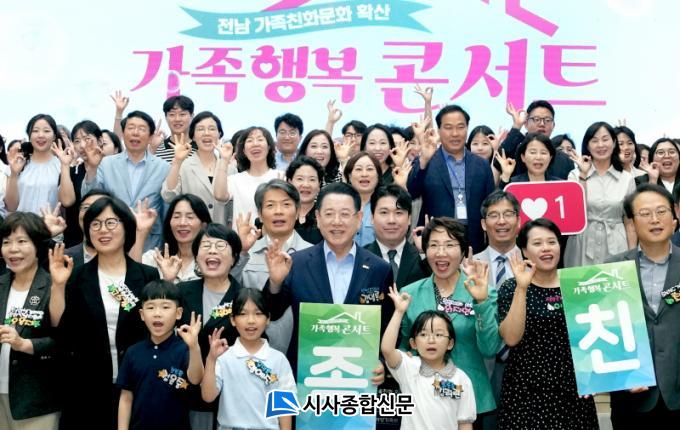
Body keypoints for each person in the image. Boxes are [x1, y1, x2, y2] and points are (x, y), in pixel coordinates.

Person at [47, 196, 160, 429]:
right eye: (95, 224)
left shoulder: (147, 275)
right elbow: (59, 326)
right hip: (86, 387)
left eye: (111, 222)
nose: (103, 230)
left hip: (136, 384)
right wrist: (58, 285)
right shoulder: (76, 275)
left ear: (126, 227)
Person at [264, 182, 394, 377]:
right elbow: (272, 314)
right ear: (318, 218)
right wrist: (275, 282)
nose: (337, 222)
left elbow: (387, 325)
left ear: (359, 219)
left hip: (359, 375)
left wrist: (383, 362)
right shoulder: (296, 263)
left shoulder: (379, 269)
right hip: (307, 375)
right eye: (329, 214)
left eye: (345, 214)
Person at [398, 217, 501, 429]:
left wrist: (481, 302)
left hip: (471, 401)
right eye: (434, 245)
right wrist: (405, 354)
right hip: (424, 402)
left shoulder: (485, 293)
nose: (441, 252)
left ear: (463, 252)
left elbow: (490, 348)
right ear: (425, 251)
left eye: (450, 245)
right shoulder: (409, 294)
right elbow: (404, 344)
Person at [498, 218, 598, 429]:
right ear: (524, 250)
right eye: (537, 243)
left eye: (552, 242)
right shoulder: (511, 287)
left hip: (573, 390)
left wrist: (597, 377)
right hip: (525, 393)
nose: (546, 248)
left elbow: (595, 336)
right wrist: (522, 288)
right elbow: (511, 338)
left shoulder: (578, 284)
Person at [607, 184, 680, 427]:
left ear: (674, 217)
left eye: (661, 211)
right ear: (631, 222)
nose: (655, 219)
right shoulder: (611, 270)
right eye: (645, 213)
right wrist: (620, 377)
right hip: (632, 397)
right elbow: (605, 330)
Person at [232, 180, 312, 353]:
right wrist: (241, 252)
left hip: (302, 352)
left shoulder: (313, 255)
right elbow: (228, 291)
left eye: (286, 204)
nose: (278, 211)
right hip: (251, 351)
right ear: (260, 215)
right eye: (270, 205)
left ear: (298, 211)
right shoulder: (247, 253)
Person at [178, 223, 244, 429]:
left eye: (220, 246)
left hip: (228, 397)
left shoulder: (243, 299)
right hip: (182, 393)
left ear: (234, 258)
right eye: (205, 246)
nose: (212, 251)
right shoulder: (181, 292)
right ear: (196, 256)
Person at [201, 288, 296, 430]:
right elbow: (208, 397)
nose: (251, 321)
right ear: (233, 320)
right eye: (243, 314)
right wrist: (211, 359)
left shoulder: (278, 359)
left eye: (258, 313)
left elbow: (284, 409)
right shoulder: (224, 357)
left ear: (268, 318)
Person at [382, 287, 476, 430]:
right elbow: (387, 350)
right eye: (423, 334)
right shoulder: (409, 367)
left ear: (450, 343)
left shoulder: (461, 378)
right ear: (413, 343)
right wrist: (399, 312)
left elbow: (464, 423)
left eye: (438, 335)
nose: (431, 340)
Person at [116, 281, 204, 430]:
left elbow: (196, 379)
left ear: (178, 313)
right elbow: (126, 398)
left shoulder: (184, 349)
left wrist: (194, 347)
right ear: (142, 314)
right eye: (150, 307)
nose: (157, 313)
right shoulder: (133, 352)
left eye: (165, 307)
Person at [408, 105, 495, 253]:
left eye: (460, 127)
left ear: (467, 129)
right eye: (448, 127)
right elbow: (413, 192)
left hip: (474, 243)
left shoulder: (481, 165)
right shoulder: (427, 160)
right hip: (437, 241)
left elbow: (490, 204)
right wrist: (423, 161)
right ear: (439, 130)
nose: (455, 133)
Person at [0, 212, 59, 429]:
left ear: (37, 246)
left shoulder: (54, 286)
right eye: (6, 242)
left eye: (22, 241)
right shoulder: (1, 284)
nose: (13, 249)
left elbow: (65, 342)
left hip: (36, 399)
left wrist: (24, 344)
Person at [82, 110, 171, 251]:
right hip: (112, 237)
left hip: (150, 242)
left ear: (150, 137)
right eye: (130, 128)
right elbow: (90, 199)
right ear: (122, 134)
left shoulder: (164, 167)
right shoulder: (106, 164)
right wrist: (92, 169)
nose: (135, 133)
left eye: (141, 129)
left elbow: (167, 209)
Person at [565, 121, 636, 267]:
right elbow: (575, 212)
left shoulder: (627, 178)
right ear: (587, 145)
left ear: (614, 143)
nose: (600, 145)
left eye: (605, 139)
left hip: (617, 244)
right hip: (582, 242)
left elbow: (629, 223)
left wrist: (632, 255)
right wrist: (583, 175)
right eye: (594, 140)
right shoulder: (574, 175)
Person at [162, 111, 233, 226]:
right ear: (193, 136)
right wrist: (177, 162)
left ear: (219, 134)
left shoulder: (229, 168)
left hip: (222, 233)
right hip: (192, 230)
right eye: (200, 129)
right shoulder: (183, 166)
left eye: (212, 129)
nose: (206, 133)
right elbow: (168, 196)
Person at [4, 114, 76, 215]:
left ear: (54, 136)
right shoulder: (18, 165)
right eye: (35, 131)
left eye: (46, 131)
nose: (41, 135)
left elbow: (67, 201)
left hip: (50, 224)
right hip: (21, 224)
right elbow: (11, 206)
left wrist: (65, 166)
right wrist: (14, 174)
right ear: (29, 135)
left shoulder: (62, 165)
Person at [365, 184, 430, 288]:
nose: (391, 220)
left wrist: (427, 252)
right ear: (372, 218)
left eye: (398, 213)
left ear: (409, 219)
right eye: (384, 212)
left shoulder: (422, 258)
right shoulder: (359, 259)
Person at [136, 194, 212, 283]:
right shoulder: (154, 259)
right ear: (169, 223)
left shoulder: (211, 261)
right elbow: (133, 281)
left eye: (190, 217)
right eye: (176, 217)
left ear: (203, 225)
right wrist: (140, 232)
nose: (182, 223)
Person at [500, 100, 573, 179]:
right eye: (536, 119)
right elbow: (500, 156)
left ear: (553, 125)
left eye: (547, 120)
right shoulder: (516, 151)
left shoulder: (565, 160)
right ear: (526, 123)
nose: (542, 124)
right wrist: (516, 126)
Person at [227, 126, 281, 229]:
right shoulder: (234, 180)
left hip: (274, 236)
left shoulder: (281, 176)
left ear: (269, 147)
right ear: (244, 150)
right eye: (250, 140)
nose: (255, 144)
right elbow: (219, 196)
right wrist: (223, 160)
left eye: (260, 139)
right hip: (242, 237)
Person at [63, 120, 104, 247]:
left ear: (100, 140)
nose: (82, 145)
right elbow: (66, 201)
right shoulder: (72, 172)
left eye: (87, 139)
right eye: (77, 141)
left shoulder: (111, 168)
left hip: (105, 236)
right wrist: (64, 165)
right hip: (75, 241)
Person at [64, 188, 114, 267]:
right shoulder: (63, 258)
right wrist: (47, 232)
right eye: (86, 208)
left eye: (100, 207)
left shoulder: (127, 256)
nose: (91, 212)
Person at [344, 152, 382, 246]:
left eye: (369, 169)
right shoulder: (339, 204)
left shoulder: (385, 205)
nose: (364, 174)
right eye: (358, 169)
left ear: (378, 175)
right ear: (349, 176)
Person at [286, 156, 323, 244]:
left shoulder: (324, 216)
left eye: (312, 179)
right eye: (300, 179)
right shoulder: (280, 214)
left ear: (319, 185)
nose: (306, 185)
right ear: (290, 182)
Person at [151, 95, 197, 162]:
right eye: (172, 114)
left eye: (182, 114)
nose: (177, 119)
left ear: (192, 116)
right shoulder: (156, 148)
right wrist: (152, 149)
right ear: (166, 117)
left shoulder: (200, 149)